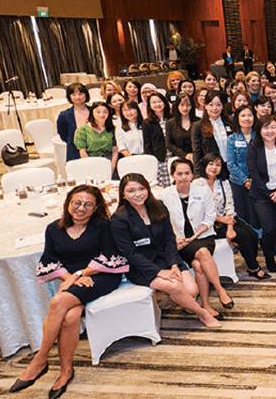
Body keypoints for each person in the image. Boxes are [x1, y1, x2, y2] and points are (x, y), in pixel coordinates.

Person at [12, 185, 128, 397]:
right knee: (70, 317)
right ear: (68, 204)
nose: (81, 208)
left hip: (101, 275)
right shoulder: (53, 229)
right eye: (77, 203)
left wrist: (78, 275)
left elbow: (110, 256)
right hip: (74, 281)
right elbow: (49, 260)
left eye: (88, 204)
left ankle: (40, 359)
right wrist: (71, 278)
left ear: (96, 208)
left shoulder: (103, 226)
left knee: (58, 302)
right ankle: (66, 372)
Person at [112, 173, 221, 328]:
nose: (138, 194)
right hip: (142, 266)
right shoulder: (119, 218)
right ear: (123, 194)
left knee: (192, 290)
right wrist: (159, 272)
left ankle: (187, 303)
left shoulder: (159, 207)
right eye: (131, 191)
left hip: (166, 257)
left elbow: (169, 239)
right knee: (175, 286)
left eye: (141, 188)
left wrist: (174, 265)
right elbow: (130, 253)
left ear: (148, 189)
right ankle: (203, 314)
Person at [160, 159, 234, 317]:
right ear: (172, 175)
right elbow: (162, 223)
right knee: (198, 262)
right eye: (179, 174)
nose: (183, 177)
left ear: (192, 174)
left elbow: (210, 217)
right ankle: (216, 294)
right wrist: (175, 239)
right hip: (180, 241)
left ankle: (212, 298)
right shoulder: (165, 195)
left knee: (201, 255)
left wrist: (194, 236)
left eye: (187, 173)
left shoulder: (202, 191)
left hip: (203, 236)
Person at [197, 152, 267, 279]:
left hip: (227, 219)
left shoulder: (223, 182)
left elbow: (229, 204)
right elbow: (198, 211)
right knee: (243, 236)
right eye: (211, 164)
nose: (214, 167)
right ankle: (254, 267)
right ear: (204, 166)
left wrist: (229, 226)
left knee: (253, 234)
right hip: (208, 224)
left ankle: (251, 263)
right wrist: (221, 219)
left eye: (218, 165)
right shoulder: (197, 184)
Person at [246, 115, 276, 273]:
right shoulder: (254, 147)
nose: (270, 131)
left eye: (273, 127)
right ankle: (269, 256)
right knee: (269, 228)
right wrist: (269, 193)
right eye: (265, 127)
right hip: (261, 195)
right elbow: (253, 172)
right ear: (259, 130)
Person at [191, 90, 232, 178]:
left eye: (218, 105)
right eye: (211, 105)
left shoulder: (230, 123)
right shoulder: (198, 126)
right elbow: (196, 152)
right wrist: (197, 174)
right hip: (211, 169)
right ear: (205, 106)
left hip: (230, 168)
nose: (215, 108)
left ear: (222, 106)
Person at [74, 102, 119, 176]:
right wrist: (91, 167)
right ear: (92, 113)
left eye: (105, 112)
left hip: (109, 163)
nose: (102, 115)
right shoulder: (82, 130)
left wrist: (112, 167)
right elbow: (82, 152)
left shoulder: (113, 129)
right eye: (98, 112)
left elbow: (115, 150)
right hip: (90, 163)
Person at [143, 92, 172, 187]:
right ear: (150, 106)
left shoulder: (172, 119)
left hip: (173, 156)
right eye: (154, 102)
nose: (157, 104)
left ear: (164, 103)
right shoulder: (147, 123)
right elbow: (147, 145)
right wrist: (151, 161)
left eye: (159, 101)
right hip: (159, 159)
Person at [57, 83, 90, 162]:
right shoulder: (64, 115)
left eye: (80, 94)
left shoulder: (94, 111)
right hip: (74, 151)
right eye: (74, 95)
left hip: (95, 149)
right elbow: (63, 135)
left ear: (86, 94)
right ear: (69, 97)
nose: (77, 97)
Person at [166, 93, 199, 161]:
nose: (185, 108)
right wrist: (184, 155)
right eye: (182, 105)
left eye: (188, 105)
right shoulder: (170, 123)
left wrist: (195, 155)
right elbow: (168, 144)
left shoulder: (198, 121)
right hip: (178, 158)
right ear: (177, 106)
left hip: (196, 157)